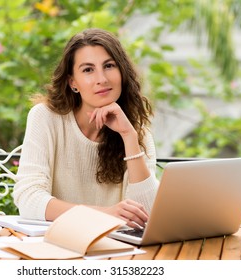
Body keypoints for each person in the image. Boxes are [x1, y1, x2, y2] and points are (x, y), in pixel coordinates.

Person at [13, 28, 159, 228]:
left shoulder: (136, 132)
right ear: (73, 82)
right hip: (58, 243)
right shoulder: (45, 118)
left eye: (109, 66)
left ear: (122, 72)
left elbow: (146, 214)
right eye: (88, 70)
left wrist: (128, 136)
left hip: (116, 248)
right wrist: (105, 214)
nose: (102, 79)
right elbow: (28, 200)